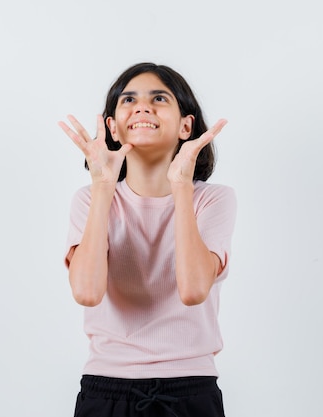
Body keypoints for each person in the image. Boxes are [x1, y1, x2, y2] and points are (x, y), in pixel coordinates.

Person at [58, 62, 237, 417]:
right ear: (112, 125)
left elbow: (193, 290)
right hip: (106, 387)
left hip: (190, 387)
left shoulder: (213, 199)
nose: (142, 107)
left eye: (159, 98)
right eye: (128, 100)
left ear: (186, 125)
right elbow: (87, 293)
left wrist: (181, 186)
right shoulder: (89, 199)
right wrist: (104, 187)